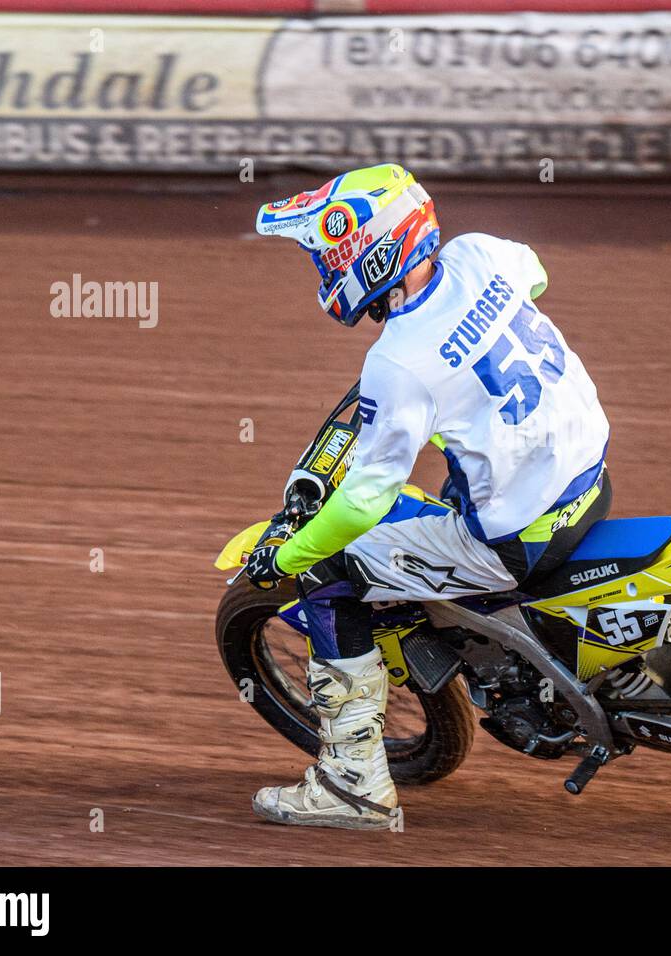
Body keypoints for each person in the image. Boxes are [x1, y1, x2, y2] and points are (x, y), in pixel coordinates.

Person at [243, 163, 611, 828]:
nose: (322, 270)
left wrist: (292, 556)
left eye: (326, 256)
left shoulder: (399, 361)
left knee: (331, 567)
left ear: (368, 255)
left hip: (518, 537)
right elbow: (536, 275)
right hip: (588, 475)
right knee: (449, 477)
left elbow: (363, 502)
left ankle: (352, 786)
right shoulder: (479, 253)